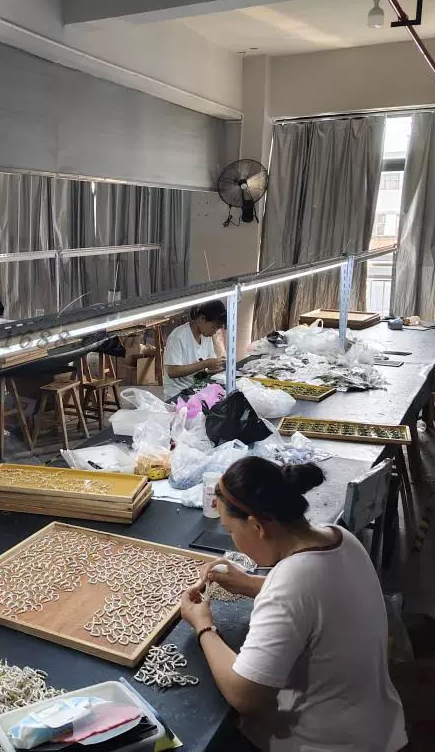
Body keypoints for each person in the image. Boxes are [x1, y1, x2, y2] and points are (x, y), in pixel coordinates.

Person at [179, 457, 407, 751]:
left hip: (329, 744)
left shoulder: (291, 582)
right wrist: (248, 583)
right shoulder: (340, 537)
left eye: (231, 530)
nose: (233, 540)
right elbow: (315, 601)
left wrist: (203, 626)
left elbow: (245, 696)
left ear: (257, 526)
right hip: (377, 729)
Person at [162, 300, 226, 398]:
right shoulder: (178, 336)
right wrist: (205, 364)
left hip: (196, 387)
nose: (214, 332)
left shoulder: (206, 335)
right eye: (213, 327)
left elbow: (208, 368)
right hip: (178, 393)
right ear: (202, 318)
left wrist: (219, 364)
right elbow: (172, 371)